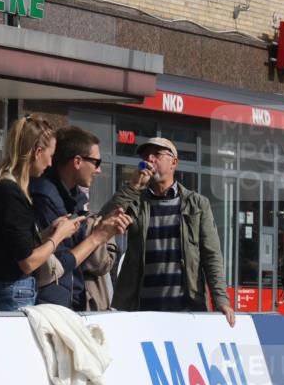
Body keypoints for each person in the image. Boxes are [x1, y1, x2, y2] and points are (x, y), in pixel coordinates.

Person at [101, 137, 235, 325]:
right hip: (141, 312)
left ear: (174, 162)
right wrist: (132, 186)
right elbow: (102, 221)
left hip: (185, 311)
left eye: (156, 154)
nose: (150, 159)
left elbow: (211, 255)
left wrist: (221, 300)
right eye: (146, 156)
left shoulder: (197, 204)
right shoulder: (136, 201)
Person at [0, 115, 82, 312]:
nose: (50, 164)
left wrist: (47, 233)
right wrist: (59, 236)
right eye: (51, 155)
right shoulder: (10, 192)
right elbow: (28, 262)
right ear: (37, 152)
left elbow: (9, 246)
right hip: (9, 293)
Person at [30, 125, 131, 310]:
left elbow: (82, 258)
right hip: (49, 308)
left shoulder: (71, 198)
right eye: (96, 163)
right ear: (77, 161)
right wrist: (97, 237)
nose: (99, 170)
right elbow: (58, 264)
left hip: (67, 304)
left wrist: (104, 230)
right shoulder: (45, 197)